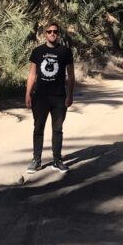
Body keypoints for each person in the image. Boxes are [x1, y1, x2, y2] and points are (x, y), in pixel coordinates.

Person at [25, 21, 74, 172]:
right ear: (44, 34)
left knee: (57, 129)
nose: (52, 34)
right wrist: (28, 94)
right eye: (49, 31)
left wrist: (70, 95)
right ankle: (36, 160)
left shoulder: (65, 52)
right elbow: (32, 74)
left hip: (59, 97)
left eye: (55, 32)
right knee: (38, 128)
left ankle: (57, 160)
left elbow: (71, 76)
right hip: (40, 97)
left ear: (59, 34)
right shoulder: (37, 51)